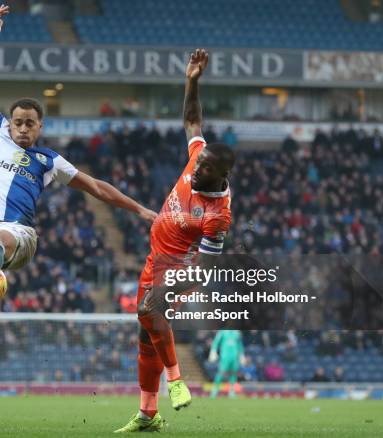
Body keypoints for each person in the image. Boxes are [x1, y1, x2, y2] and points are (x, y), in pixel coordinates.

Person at [0, 5, 157, 433]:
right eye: (18, 121)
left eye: (30, 123)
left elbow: (96, 186)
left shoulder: (48, 160)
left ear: (39, 127)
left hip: (17, 236)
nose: (22, 128)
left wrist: (140, 210)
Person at [115, 49, 235, 433]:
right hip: (154, 258)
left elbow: (208, 266)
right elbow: (192, 119)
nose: (195, 170)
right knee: (144, 332)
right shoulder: (199, 156)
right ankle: (148, 415)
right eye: (197, 165)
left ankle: (177, 379)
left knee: (151, 311)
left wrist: (171, 285)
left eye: (205, 170)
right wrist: (193, 79)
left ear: (221, 176)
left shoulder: (218, 215)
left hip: (179, 268)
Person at [208, 330, 245, 398]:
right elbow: (216, 342)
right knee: (221, 372)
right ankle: (215, 390)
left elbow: (240, 344)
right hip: (225, 356)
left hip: (235, 356)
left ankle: (231, 391)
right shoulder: (222, 332)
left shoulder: (237, 333)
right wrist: (213, 351)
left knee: (233, 373)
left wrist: (242, 355)